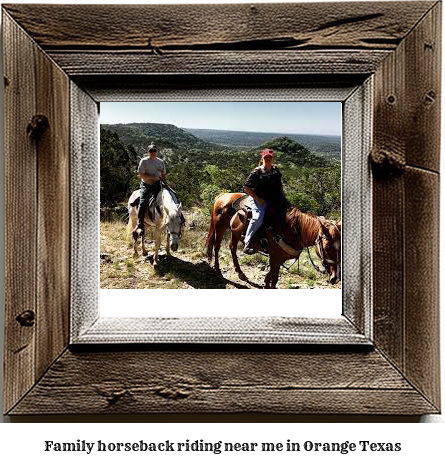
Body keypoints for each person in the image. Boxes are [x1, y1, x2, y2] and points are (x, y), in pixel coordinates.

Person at [243, 148, 289, 254]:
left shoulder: (275, 170)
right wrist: (258, 199)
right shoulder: (257, 172)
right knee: (258, 217)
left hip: (274, 199)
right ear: (262, 158)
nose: (268, 159)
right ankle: (247, 242)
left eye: (270, 157)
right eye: (266, 157)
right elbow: (246, 187)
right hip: (259, 199)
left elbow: (279, 185)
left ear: (272, 158)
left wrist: (283, 198)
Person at [134, 143, 166, 233]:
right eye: (151, 151)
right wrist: (152, 177)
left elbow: (163, 175)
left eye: (154, 151)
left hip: (158, 184)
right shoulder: (144, 161)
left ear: (156, 152)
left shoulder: (160, 162)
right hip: (146, 185)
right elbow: (141, 175)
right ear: (148, 152)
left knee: (171, 197)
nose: (153, 152)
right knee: (143, 201)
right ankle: (140, 224)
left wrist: (166, 184)